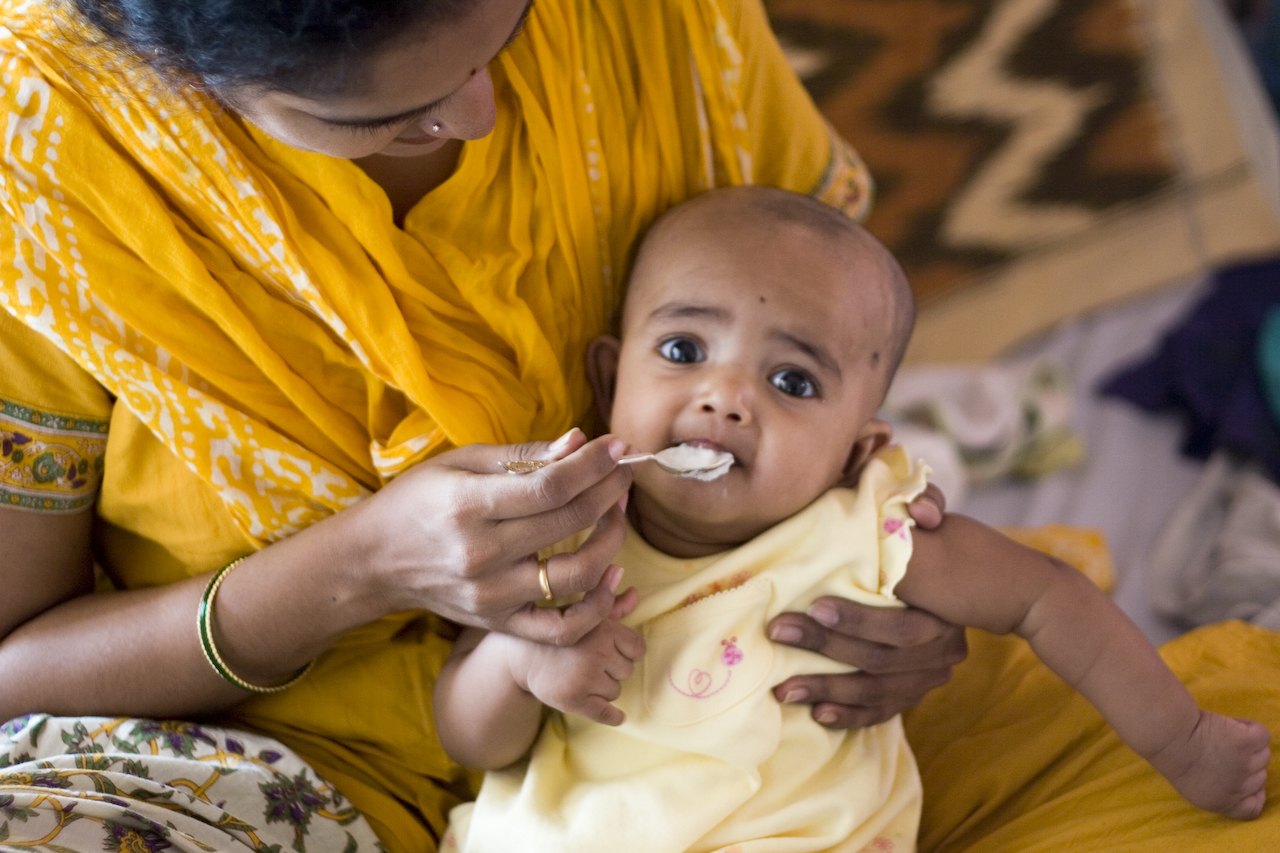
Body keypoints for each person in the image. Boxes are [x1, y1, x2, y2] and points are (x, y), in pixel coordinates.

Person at [0, 2, 964, 852]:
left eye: (510, 31)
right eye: (378, 117)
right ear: (184, 75)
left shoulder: (665, 18)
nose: (479, 115)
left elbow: (835, 337)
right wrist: (358, 568)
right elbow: (13, 674)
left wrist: (902, 601)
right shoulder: (39, 163)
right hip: (250, 767)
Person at [432, 187, 1271, 852]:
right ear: (613, 376)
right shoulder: (565, 531)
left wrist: (1184, 739)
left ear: (855, 447)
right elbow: (472, 741)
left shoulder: (862, 531)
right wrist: (515, 664)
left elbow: (1047, 597)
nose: (726, 397)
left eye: (793, 381)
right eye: (685, 351)